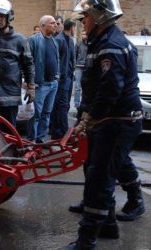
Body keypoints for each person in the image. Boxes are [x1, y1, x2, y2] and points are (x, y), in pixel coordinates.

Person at [63, 0, 145, 249]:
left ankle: (86, 242)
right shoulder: (100, 42)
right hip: (108, 119)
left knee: (100, 178)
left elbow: (109, 91)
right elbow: (94, 86)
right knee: (96, 169)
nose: (82, 21)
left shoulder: (112, 46)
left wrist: (88, 119)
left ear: (99, 17)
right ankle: (108, 224)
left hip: (117, 121)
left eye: (85, 16)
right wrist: (84, 116)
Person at [26, 15, 59, 143]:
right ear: (43, 25)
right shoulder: (33, 40)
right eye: (52, 23)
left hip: (52, 84)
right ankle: (31, 141)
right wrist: (30, 82)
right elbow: (27, 62)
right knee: (36, 115)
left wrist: (57, 76)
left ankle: (41, 139)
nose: (55, 25)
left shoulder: (54, 40)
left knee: (47, 113)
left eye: (55, 23)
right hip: (40, 85)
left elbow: (57, 59)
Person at [49, 18, 76, 140]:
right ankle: (62, 132)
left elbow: (71, 58)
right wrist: (59, 75)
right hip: (61, 79)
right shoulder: (58, 40)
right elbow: (56, 59)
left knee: (62, 105)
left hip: (69, 77)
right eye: (75, 27)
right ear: (71, 28)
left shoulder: (70, 40)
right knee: (62, 105)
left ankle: (59, 132)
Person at [73, 30, 87, 112]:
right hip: (79, 67)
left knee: (86, 87)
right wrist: (75, 65)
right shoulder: (78, 44)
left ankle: (84, 103)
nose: (83, 36)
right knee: (77, 86)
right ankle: (77, 104)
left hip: (87, 67)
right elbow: (74, 55)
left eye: (84, 34)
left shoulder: (90, 44)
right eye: (82, 34)